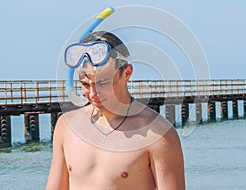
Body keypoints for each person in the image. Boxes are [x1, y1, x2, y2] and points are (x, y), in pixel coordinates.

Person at [46, 31, 186, 190]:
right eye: (85, 84)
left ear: (126, 73)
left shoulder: (158, 134)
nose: (93, 94)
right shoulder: (67, 126)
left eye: (103, 82)